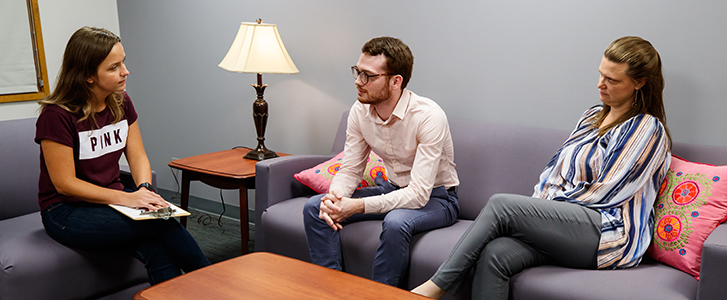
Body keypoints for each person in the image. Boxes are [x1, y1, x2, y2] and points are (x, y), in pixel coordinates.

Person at [411, 36, 671, 299]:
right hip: (567, 227)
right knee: (495, 254)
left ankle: (434, 288)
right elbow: (555, 172)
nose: (600, 84)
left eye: (612, 80)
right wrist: (541, 214)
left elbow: (608, 192)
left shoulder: (646, 128)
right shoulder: (592, 117)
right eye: (600, 74)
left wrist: (546, 212)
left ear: (639, 82)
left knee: (502, 205)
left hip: (608, 235)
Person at [36, 26, 210, 285]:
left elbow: (138, 155)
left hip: (113, 201)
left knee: (156, 248)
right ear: (88, 75)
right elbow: (65, 183)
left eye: (123, 62)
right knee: (163, 223)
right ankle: (215, 285)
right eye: (113, 67)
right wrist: (128, 199)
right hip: (66, 212)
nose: (125, 71)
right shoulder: (57, 116)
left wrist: (144, 190)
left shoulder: (121, 102)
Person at [303, 36, 460, 287]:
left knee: (397, 221)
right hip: (392, 187)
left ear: (396, 81)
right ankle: (331, 289)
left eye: (368, 75)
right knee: (315, 208)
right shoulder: (359, 111)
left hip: (437, 198)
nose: (357, 82)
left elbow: (419, 195)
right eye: (357, 72)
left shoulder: (429, 116)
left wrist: (356, 206)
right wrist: (336, 199)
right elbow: (351, 169)